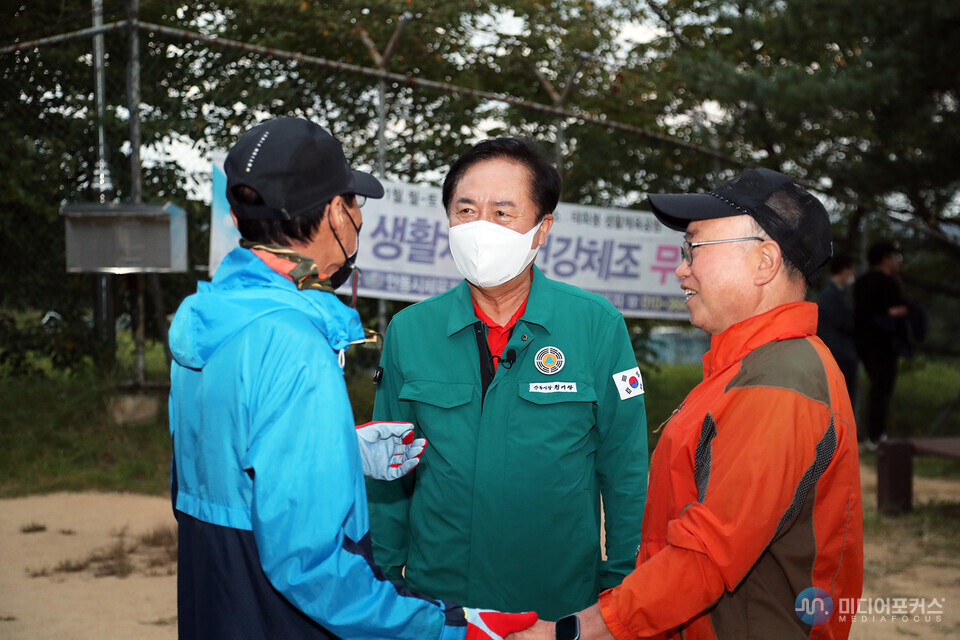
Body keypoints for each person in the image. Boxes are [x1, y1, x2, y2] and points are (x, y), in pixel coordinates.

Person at [168, 116, 537, 640]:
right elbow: (311, 565)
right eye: (355, 202)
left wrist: (338, 451)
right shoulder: (292, 341)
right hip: (283, 619)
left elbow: (213, 469)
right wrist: (449, 627)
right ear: (335, 213)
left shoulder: (206, 318)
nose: (361, 218)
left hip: (218, 597)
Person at [514, 167, 863, 640]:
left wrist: (572, 632)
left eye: (693, 248)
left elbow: (705, 556)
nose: (681, 268)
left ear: (764, 262)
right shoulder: (745, 369)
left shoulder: (779, 384)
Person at [366, 137, 649, 621]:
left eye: (502, 212)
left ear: (542, 229)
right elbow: (388, 471)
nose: (481, 228)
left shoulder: (595, 324)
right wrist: (386, 584)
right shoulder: (411, 331)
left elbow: (625, 469)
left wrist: (621, 589)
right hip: (440, 604)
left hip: (557, 603)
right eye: (466, 209)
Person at [853, 241, 910, 449]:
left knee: (876, 389)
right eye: (895, 257)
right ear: (886, 259)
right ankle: (877, 436)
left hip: (864, 344)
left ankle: (873, 435)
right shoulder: (888, 282)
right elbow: (892, 311)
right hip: (884, 345)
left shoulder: (861, 282)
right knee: (882, 389)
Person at [817, 252, 859, 410]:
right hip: (838, 354)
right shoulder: (830, 295)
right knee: (839, 403)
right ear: (844, 270)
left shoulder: (839, 294)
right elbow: (844, 323)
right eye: (851, 269)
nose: (853, 273)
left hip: (844, 354)